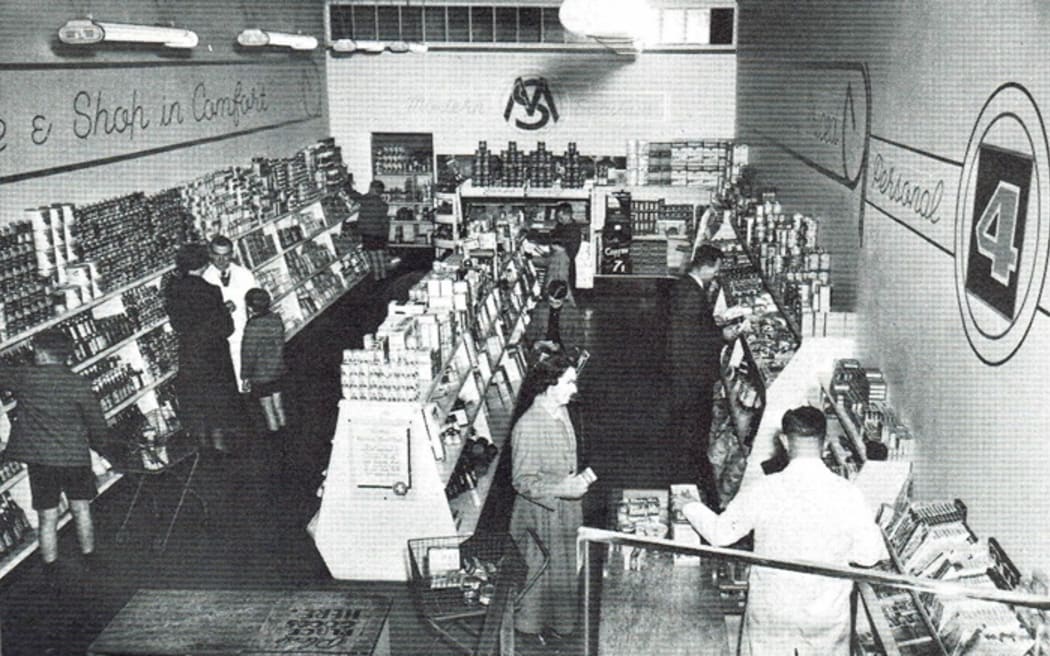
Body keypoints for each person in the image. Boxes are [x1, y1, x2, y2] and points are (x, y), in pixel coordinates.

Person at [683, 406, 888, 655]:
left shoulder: (764, 489)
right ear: (824, 445)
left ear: (784, 441)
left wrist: (689, 506)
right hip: (824, 621)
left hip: (772, 616)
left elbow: (720, 534)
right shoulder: (849, 495)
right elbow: (869, 556)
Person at [0, 329, 109, 590]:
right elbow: (96, 422)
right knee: (81, 509)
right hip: (74, 457)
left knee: (47, 516)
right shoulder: (77, 382)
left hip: (42, 461)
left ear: (39, 352)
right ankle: (90, 557)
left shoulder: (25, 377)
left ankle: (50, 567)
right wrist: (102, 447)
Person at [509, 354, 592, 646]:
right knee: (540, 572)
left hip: (564, 509)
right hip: (541, 513)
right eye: (569, 382)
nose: (574, 388)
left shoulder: (560, 410)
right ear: (549, 385)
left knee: (564, 570)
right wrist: (562, 488)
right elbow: (522, 481)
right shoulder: (528, 426)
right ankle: (527, 634)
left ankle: (559, 626)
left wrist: (574, 482)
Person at [667, 244, 732, 503]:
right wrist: (723, 336)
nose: (716, 275)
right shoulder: (692, 293)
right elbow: (692, 340)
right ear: (706, 266)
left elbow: (691, 328)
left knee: (687, 427)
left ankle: (688, 470)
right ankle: (691, 481)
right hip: (691, 375)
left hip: (682, 372)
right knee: (693, 429)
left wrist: (712, 325)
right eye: (715, 269)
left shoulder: (685, 286)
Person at [165, 243, 241, 452]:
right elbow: (225, 329)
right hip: (213, 355)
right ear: (205, 263)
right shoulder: (211, 291)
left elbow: (180, 322)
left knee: (197, 403)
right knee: (217, 405)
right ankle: (220, 450)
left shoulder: (173, 288)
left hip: (190, 352)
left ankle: (202, 451)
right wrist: (225, 311)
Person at [202, 235, 259, 388]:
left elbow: (257, 306)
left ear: (232, 254)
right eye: (217, 255)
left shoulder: (245, 275)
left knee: (252, 385)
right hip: (220, 342)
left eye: (226, 256)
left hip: (245, 337)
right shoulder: (204, 279)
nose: (221, 261)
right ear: (210, 254)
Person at [241, 288, 288, 433]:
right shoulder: (276, 318)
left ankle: (277, 441)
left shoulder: (253, 326)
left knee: (267, 409)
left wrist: (245, 376)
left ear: (250, 307)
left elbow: (248, 353)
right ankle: (287, 434)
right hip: (278, 369)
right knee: (279, 406)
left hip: (261, 375)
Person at [346, 179, 390, 281]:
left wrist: (347, 185)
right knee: (379, 254)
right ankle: (384, 276)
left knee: (372, 254)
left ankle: (376, 277)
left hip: (368, 232)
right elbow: (385, 221)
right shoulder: (383, 205)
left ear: (373, 189)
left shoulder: (366, 199)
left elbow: (354, 195)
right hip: (380, 233)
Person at [551, 202, 582, 290]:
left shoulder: (573, 230)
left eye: (561, 217)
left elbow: (570, 252)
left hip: (566, 264)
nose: (559, 220)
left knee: (565, 288)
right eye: (558, 217)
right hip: (560, 262)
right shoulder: (561, 225)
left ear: (568, 215)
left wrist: (558, 247)